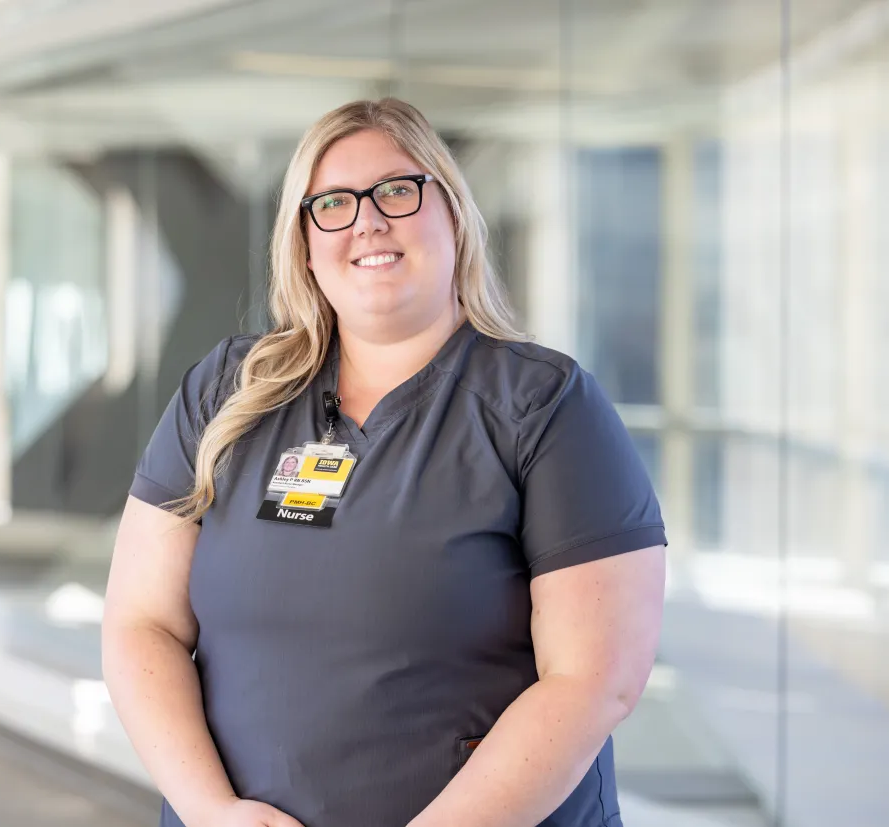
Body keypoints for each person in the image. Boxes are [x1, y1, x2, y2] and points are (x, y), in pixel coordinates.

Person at [102, 98, 667, 827]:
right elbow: (140, 623)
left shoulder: (546, 408)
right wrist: (213, 811)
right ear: (303, 243)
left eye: (398, 191)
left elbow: (596, 678)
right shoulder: (227, 392)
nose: (367, 220)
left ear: (453, 214)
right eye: (331, 203)